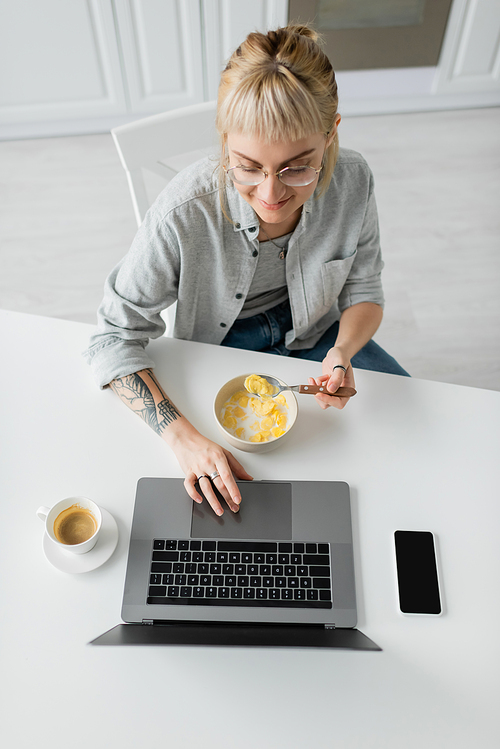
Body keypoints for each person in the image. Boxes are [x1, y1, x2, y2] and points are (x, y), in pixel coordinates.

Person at [85, 24, 409, 518]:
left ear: (331, 132)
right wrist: (183, 439)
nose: (271, 194)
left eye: (298, 167)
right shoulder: (183, 213)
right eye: (247, 166)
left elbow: (365, 287)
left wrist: (342, 350)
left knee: (410, 443)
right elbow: (112, 338)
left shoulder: (354, 180)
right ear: (225, 143)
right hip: (215, 348)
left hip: (318, 333)